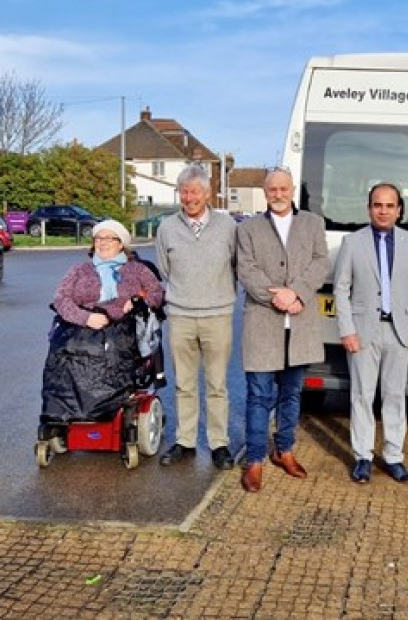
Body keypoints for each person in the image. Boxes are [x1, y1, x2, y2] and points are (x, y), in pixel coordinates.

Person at [236, 167, 329, 492]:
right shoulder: (247, 229)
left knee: (292, 394)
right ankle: (256, 460)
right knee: (259, 396)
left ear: (293, 191)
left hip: (300, 325)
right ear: (265, 192)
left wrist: (298, 292)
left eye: (284, 188)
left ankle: (284, 450)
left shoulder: (313, 223)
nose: (278, 194)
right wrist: (275, 297)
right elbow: (245, 269)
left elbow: (321, 262)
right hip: (263, 323)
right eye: (272, 189)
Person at [333, 183, 408, 485]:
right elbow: (341, 288)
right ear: (369, 208)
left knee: (394, 395)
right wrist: (347, 330)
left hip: (400, 331)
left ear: (399, 210)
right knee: (361, 395)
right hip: (363, 332)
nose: (383, 211)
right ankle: (362, 457)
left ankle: (393, 457)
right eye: (378, 205)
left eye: (390, 206)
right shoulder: (352, 242)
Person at [156, 165, 239, 470]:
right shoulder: (166, 228)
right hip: (180, 315)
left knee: (217, 384)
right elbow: (165, 269)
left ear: (207, 193)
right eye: (184, 191)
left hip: (218, 315)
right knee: (185, 384)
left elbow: (236, 264)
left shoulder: (228, 226)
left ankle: (219, 444)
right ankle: (185, 441)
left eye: (195, 191)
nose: (189, 197)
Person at [43, 220, 165, 420]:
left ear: (121, 244)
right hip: (82, 326)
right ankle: (61, 410)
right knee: (62, 352)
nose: (103, 242)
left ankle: (103, 404)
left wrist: (137, 303)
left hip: (123, 327)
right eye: (99, 238)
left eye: (109, 238)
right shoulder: (80, 269)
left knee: (109, 354)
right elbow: (61, 299)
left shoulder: (138, 270)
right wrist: (86, 317)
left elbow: (158, 294)